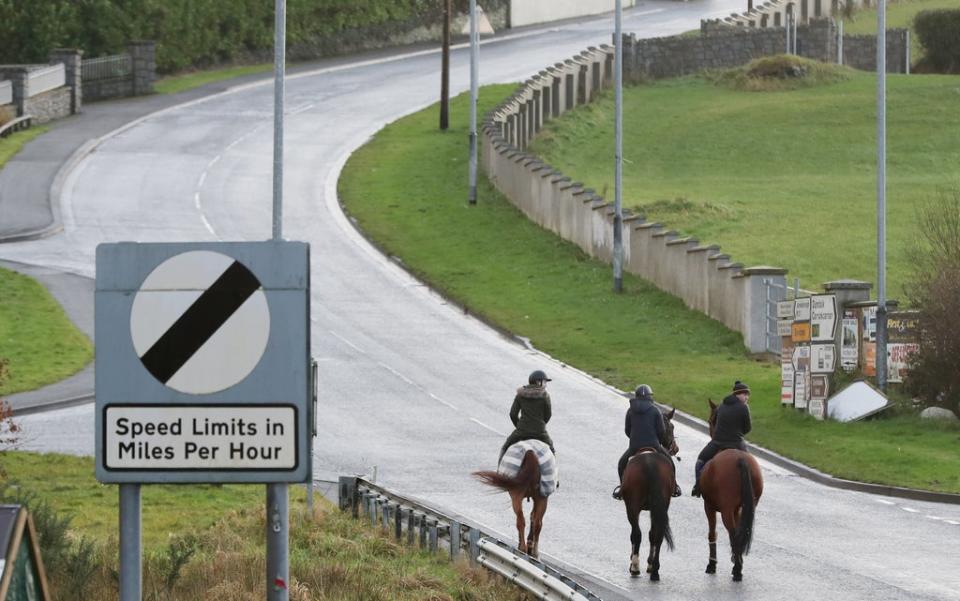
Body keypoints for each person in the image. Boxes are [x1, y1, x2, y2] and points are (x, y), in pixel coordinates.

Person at [612, 384, 680, 500]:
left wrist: (635, 438)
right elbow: (661, 431)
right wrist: (656, 441)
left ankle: (622, 489)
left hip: (635, 446)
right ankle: (674, 487)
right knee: (670, 462)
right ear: (650, 397)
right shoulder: (655, 410)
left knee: (621, 463)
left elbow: (627, 430)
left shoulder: (630, 411)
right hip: (653, 444)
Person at [690, 380, 752, 498]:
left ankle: (698, 486)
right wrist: (738, 432)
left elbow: (716, 423)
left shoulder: (721, 406)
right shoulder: (744, 408)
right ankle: (751, 489)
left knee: (700, 461)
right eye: (745, 394)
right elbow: (748, 428)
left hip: (717, 443)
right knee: (750, 464)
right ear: (738, 394)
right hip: (737, 443)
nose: (747, 397)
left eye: (747, 394)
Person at [499, 370, 556, 463]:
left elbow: (513, 414)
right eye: (545, 382)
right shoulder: (545, 396)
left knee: (506, 446)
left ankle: (499, 470)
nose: (546, 385)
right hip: (540, 432)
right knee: (551, 448)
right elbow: (548, 415)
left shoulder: (520, 394)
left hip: (522, 431)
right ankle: (554, 474)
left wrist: (520, 427)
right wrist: (540, 424)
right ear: (538, 382)